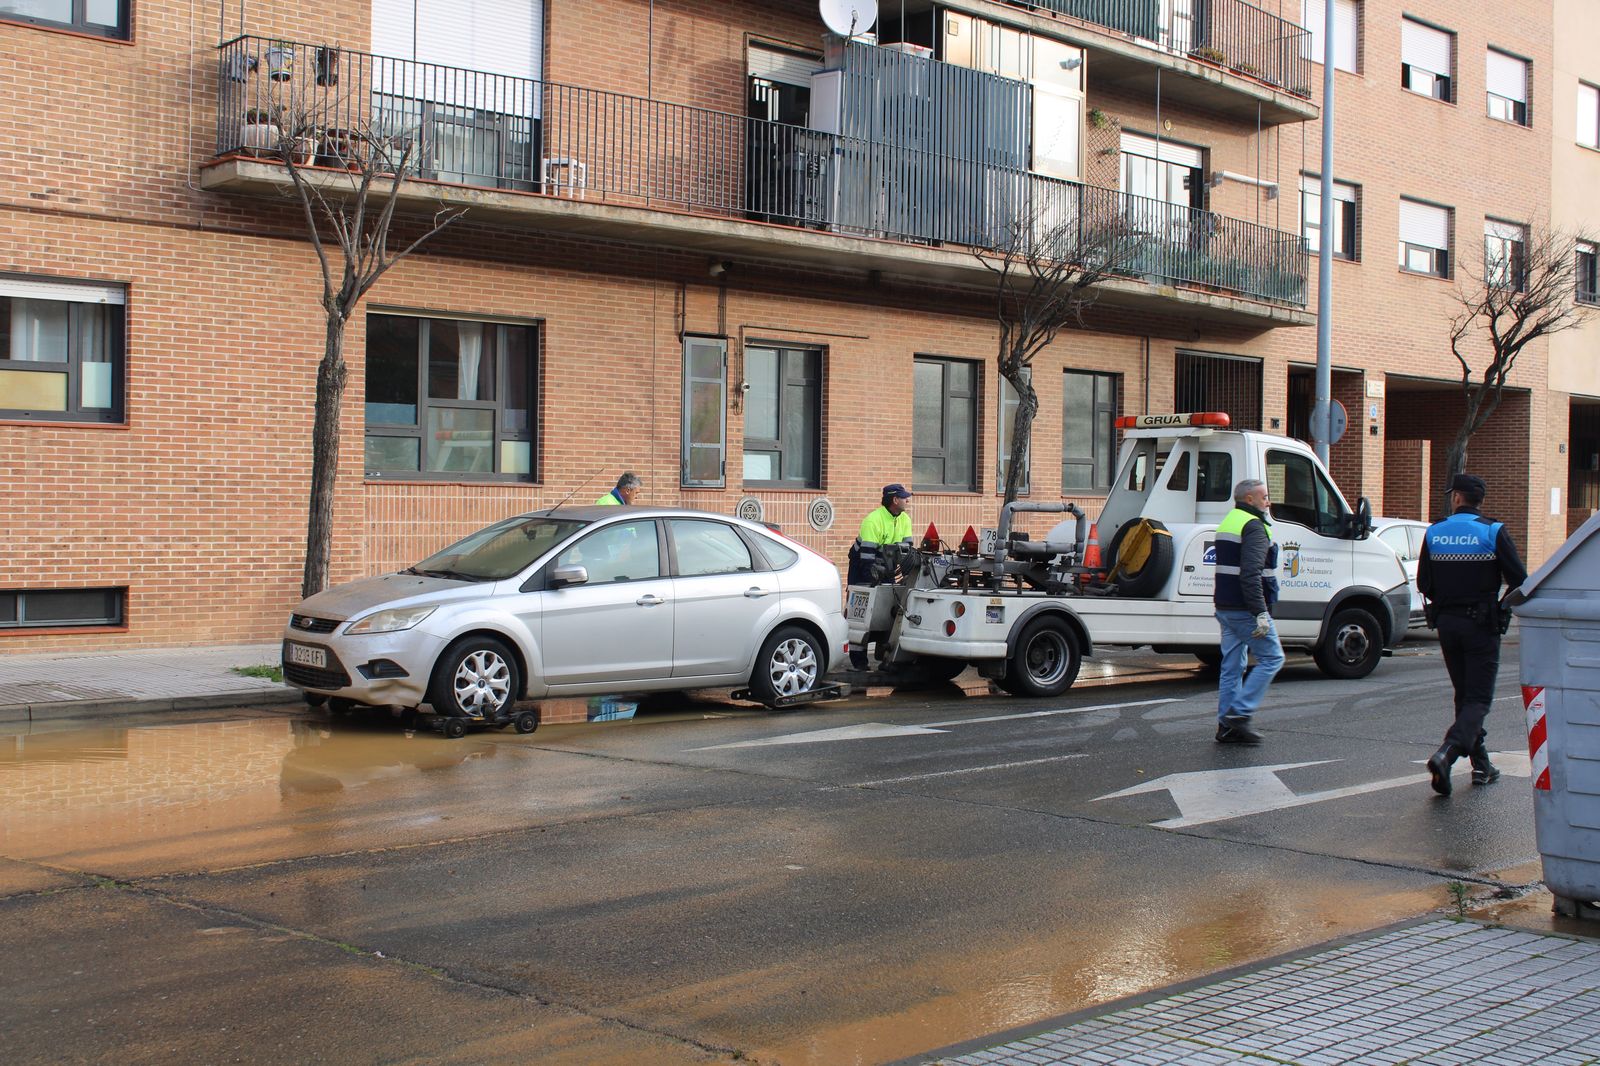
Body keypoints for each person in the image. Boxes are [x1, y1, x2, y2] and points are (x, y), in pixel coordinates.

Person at [1417, 473, 1527, 796]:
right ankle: (1447, 754)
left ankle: (1481, 765)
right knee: (1478, 699)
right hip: (1481, 626)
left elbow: (1424, 583)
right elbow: (1519, 579)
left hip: (1448, 626)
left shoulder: (1435, 532)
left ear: (1457, 498)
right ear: (1480, 501)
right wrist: (1502, 605)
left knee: (1465, 696)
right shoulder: (1492, 531)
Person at [1212, 478, 1286, 744]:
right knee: (1273, 658)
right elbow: (1251, 574)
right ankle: (1239, 716)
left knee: (1232, 667)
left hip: (1225, 606)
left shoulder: (1229, 521)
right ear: (1250, 500)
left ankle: (1226, 727)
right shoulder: (1254, 526)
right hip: (1246, 609)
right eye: (1264, 497)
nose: (1268, 501)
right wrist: (1260, 612)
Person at [847, 484, 914, 585]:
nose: (907, 500)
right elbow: (867, 556)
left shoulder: (906, 520)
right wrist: (873, 582)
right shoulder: (873, 520)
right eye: (904, 498)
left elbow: (907, 552)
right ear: (895, 500)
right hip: (862, 565)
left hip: (887, 565)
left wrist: (908, 575)